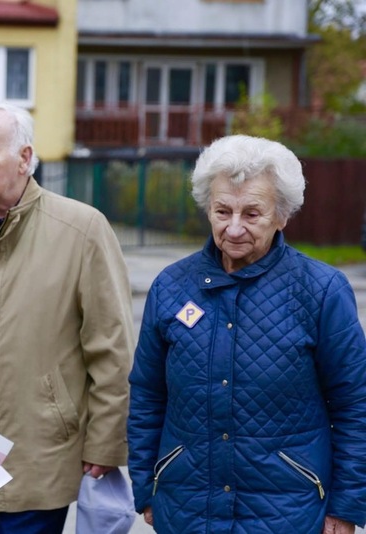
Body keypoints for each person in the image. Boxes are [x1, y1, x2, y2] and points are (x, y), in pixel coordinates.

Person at [127, 134, 366, 533]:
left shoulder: (322, 291)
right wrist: (146, 487)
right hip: (186, 509)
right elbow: (148, 394)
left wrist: (346, 506)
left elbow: (354, 405)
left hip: (288, 513)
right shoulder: (171, 286)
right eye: (223, 211)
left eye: (252, 214)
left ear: (282, 215)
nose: (234, 228)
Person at [0, 101, 135, 533]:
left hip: (43, 448)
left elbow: (111, 349)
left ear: (25, 158)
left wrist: (106, 442)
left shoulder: (81, 229)